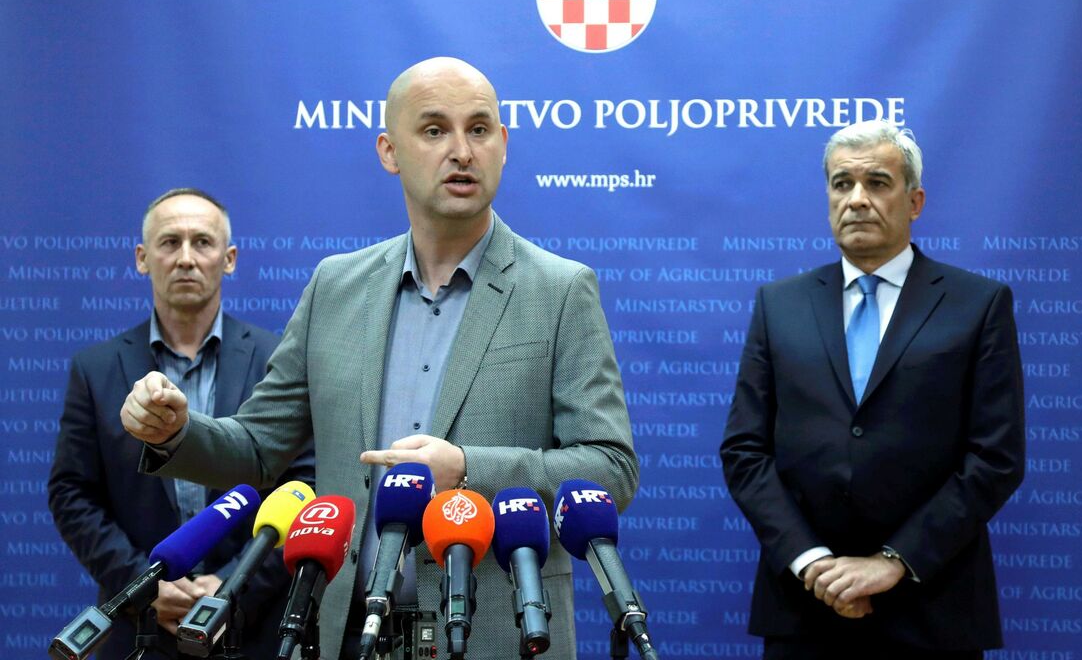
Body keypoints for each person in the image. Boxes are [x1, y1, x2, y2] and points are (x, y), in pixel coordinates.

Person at [120, 57, 638, 660]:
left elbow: (610, 469)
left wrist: (468, 469)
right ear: (390, 152)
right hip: (345, 635)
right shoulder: (335, 287)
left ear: (503, 145)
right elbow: (260, 446)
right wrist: (176, 433)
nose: (462, 151)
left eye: (478, 129)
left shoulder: (560, 290)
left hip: (499, 638)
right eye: (434, 130)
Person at [720, 120, 1025, 659]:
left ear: (915, 202)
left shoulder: (977, 304)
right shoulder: (779, 305)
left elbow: (995, 458)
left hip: (932, 608)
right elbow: (745, 451)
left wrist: (892, 562)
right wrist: (811, 561)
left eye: (877, 183)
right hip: (804, 608)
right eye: (842, 184)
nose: (857, 199)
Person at [48, 188, 314, 659]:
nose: (186, 258)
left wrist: (234, 584)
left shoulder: (279, 361)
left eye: (202, 242)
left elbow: (305, 487)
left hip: (252, 630)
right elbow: (72, 493)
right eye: (170, 242)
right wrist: (143, 583)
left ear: (229, 259)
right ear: (142, 258)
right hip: (142, 630)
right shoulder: (96, 368)